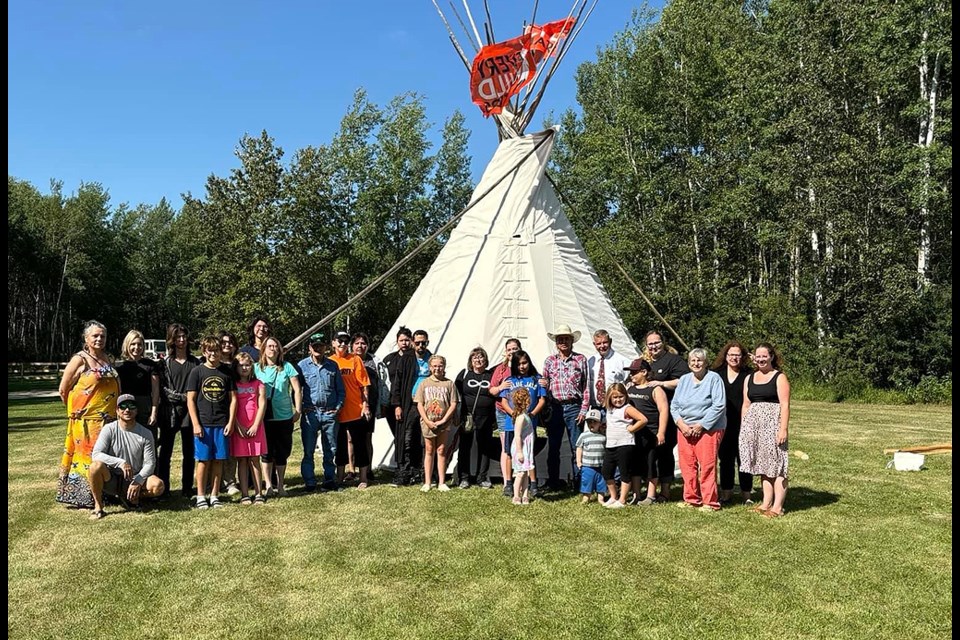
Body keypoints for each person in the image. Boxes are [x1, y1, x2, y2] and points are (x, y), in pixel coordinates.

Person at [56, 320, 120, 509]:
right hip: (86, 423)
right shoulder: (80, 359)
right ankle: (83, 497)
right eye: (95, 335)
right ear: (86, 338)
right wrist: (76, 411)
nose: (99, 339)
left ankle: (106, 493)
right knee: (87, 458)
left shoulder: (107, 358)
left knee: (105, 457)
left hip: (108, 421)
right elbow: (63, 389)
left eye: (103, 336)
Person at [88, 394, 165, 519]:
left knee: (158, 486)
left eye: (131, 406)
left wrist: (138, 481)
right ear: (117, 411)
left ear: (136, 410)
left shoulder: (146, 433)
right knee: (95, 467)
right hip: (112, 478)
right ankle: (98, 506)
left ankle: (131, 496)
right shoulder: (109, 429)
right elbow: (96, 454)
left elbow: (150, 463)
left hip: (134, 477)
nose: (127, 410)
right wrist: (120, 462)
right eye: (123, 407)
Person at [670, 348, 727, 511]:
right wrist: (681, 424)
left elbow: (718, 406)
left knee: (707, 465)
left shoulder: (714, 379)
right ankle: (691, 498)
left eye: (699, 360)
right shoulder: (684, 380)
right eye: (693, 361)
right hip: (684, 428)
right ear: (688, 363)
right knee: (687, 465)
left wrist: (701, 425)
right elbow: (674, 405)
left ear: (706, 362)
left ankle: (710, 502)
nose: (696, 363)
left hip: (708, 428)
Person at [739, 343, 791, 518]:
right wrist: (744, 428)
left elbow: (784, 405)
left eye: (764, 356)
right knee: (763, 465)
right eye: (758, 356)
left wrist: (783, 429)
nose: (761, 359)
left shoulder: (779, 377)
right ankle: (766, 502)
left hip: (773, 425)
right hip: (755, 427)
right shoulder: (749, 378)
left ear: (771, 357)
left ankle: (778, 507)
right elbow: (746, 404)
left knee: (778, 466)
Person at [186, 336, 237, 509]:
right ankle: (201, 495)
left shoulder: (226, 372)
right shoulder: (197, 372)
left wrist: (231, 422)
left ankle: (215, 495)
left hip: (221, 423)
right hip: (204, 423)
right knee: (203, 460)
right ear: (204, 351)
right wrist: (196, 423)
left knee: (218, 460)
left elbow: (234, 399)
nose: (213, 353)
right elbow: (190, 399)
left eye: (216, 350)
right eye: (210, 350)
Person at [541, 324, 590, 491]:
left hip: (574, 407)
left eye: (566, 339)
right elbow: (545, 384)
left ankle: (579, 482)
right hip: (555, 407)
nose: (563, 342)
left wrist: (584, 409)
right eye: (560, 339)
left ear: (572, 341)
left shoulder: (580, 360)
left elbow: (586, 387)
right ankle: (553, 481)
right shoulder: (549, 361)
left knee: (577, 446)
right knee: (553, 446)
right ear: (556, 342)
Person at [157, 323, 201, 498]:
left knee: (189, 453)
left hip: (191, 414)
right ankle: (164, 489)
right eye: (177, 337)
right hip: (169, 413)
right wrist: (184, 397)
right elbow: (163, 389)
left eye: (183, 336)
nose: (181, 340)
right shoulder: (165, 364)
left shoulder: (196, 363)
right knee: (165, 452)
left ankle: (187, 488)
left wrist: (190, 400)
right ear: (172, 340)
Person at [643, 330, 689, 500]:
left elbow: (684, 380)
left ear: (663, 342)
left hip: (668, 414)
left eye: (656, 342)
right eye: (650, 344)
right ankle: (649, 490)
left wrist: (661, 383)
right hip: (648, 415)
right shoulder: (645, 362)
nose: (653, 346)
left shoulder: (673, 360)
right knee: (649, 454)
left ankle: (666, 490)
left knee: (664, 452)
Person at [255, 336, 303, 497]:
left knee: (282, 452)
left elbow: (297, 389)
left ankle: (281, 485)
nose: (272, 349)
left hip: (284, 416)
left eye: (275, 346)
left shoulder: (287, 367)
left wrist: (298, 410)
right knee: (266, 453)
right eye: (269, 346)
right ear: (263, 349)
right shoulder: (256, 368)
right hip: (264, 417)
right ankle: (268, 485)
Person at [298, 333, 344, 491]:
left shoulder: (333, 365)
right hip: (310, 413)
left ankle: (329, 479)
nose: (318, 348)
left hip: (329, 412)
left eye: (321, 345)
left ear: (326, 347)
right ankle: (310, 481)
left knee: (330, 449)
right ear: (310, 347)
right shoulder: (302, 366)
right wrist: (301, 407)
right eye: (314, 346)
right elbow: (295, 390)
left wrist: (337, 408)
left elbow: (340, 390)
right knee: (308, 449)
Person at [498, 350, 547, 499]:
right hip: (510, 424)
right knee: (509, 453)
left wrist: (532, 414)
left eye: (524, 363)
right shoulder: (509, 380)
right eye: (518, 364)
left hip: (529, 425)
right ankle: (508, 482)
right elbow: (504, 401)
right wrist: (514, 414)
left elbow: (542, 400)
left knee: (528, 453)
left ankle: (533, 484)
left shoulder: (536, 379)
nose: (522, 366)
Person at [712, 340, 754, 505]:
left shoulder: (748, 374)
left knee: (744, 459)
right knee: (726, 459)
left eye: (738, 355)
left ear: (743, 356)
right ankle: (726, 494)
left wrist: (754, 359)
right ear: (725, 356)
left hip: (744, 422)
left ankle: (747, 495)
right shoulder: (716, 374)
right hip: (722, 423)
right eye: (731, 354)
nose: (734, 358)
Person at [623, 358, 670, 506]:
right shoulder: (629, 388)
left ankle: (651, 495)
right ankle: (637, 494)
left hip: (651, 432)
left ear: (644, 372)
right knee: (636, 464)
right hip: (634, 433)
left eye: (634, 373)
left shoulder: (655, 389)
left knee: (651, 464)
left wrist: (661, 432)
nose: (631, 376)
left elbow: (663, 410)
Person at [330, 331, 373, 489]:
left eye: (345, 341)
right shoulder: (330, 361)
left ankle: (363, 478)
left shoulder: (355, 360)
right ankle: (340, 477)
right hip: (337, 412)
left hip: (355, 410)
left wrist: (365, 405)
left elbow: (364, 385)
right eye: (339, 341)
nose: (342, 344)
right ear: (333, 343)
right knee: (340, 446)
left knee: (360, 444)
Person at [390, 329, 432, 487]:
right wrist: (397, 405)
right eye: (418, 342)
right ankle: (404, 471)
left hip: (428, 404)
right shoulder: (407, 358)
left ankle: (421, 470)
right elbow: (397, 383)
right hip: (410, 404)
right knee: (407, 438)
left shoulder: (431, 358)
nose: (421, 345)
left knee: (424, 438)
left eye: (424, 342)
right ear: (413, 342)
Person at [452, 347, 496, 489]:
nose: (478, 360)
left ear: (486, 359)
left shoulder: (491, 375)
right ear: (470, 360)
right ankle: (463, 477)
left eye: (481, 357)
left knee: (485, 448)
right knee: (465, 446)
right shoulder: (464, 374)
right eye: (475, 357)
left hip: (486, 418)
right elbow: (454, 394)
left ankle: (482, 477)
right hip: (468, 418)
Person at [414, 355, 459, 492]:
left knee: (441, 450)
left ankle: (441, 481)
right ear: (430, 367)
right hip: (428, 422)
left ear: (444, 367)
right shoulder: (424, 383)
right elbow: (419, 404)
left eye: (440, 365)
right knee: (429, 450)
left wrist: (444, 420)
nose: (437, 368)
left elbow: (453, 403)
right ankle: (427, 481)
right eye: (434, 366)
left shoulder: (449, 384)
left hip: (444, 423)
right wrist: (427, 420)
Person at [601, 383, 647, 509]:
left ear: (625, 396)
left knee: (624, 473)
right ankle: (613, 496)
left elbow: (643, 419)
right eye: (614, 397)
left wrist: (632, 428)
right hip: (611, 444)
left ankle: (622, 500)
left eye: (621, 396)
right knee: (606, 472)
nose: (618, 400)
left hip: (625, 444)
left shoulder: (627, 408)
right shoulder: (610, 409)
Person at [231, 352, 268, 505]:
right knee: (242, 461)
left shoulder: (258, 384)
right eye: (241, 365)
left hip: (256, 427)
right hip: (239, 427)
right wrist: (237, 425)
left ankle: (259, 493)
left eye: (247, 365)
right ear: (236, 367)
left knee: (255, 459)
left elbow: (262, 405)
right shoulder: (233, 385)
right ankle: (245, 494)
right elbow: (231, 406)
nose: (244, 368)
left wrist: (255, 425)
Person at [488, 338, 522, 492]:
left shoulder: (524, 366)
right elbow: (492, 390)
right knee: (506, 447)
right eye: (509, 349)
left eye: (515, 349)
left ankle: (520, 479)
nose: (512, 352)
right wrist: (501, 386)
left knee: (520, 445)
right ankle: (507, 481)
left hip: (522, 413)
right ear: (505, 351)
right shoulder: (501, 369)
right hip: (503, 412)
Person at [352, 332, 388, 481]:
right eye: (357, 343)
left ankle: (367, 469)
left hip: (369, 404)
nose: (360, 346)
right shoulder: (347, 360)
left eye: (363, 343)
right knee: (350, 439)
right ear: (352, 345)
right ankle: (351, 469)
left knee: (367, 438)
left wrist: (383, 403)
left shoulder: (375, 362)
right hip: (351, 404)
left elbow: (383, 383)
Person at [115, 329, 160, 441]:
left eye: (139, 344)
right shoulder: (120, 367)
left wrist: (153, 412)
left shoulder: (150, 365)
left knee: (148, 442)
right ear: (127, 345)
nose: (136, 347)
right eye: (133, 344)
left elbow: (155, 391)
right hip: (126, 407)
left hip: (145, 407)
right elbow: (117, 391)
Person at [218, 330, 242, 496]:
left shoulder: (238, 364)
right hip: (214, 411)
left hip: (235, 409)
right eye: (224, 342)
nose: (227, 345)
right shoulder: (211, 362)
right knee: (215, 449)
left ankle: (230, 481)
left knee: (231, 449)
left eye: (230, 342)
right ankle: (213, 482)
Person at [382, 326, 413, 442]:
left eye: (407, 340)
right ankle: (399, 459)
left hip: (409, 402)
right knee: (397, 435)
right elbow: (383, 381)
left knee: (409, 436)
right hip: (392, 402)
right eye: (401, 340)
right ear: (397, 341)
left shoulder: (416, 358)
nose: (404, 343)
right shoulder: (389, 359)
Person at [588, 329, 632, 408]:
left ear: (610, 341)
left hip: (615, 407)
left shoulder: (622, 361)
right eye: (598, 344)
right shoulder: (590, 362)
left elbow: (630, 384)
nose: (602, 346)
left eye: (605, 342)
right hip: (595, 407)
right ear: (594, 344)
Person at [576, 409, 608, 505]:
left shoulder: (603, 436)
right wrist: (578, 461)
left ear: (600, 423)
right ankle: (586, 498)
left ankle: (601, 498)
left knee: (601, 482)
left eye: (595, 422)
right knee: (587, 482)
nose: (592, 424)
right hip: (587, 465)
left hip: (600, 465)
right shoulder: (584, 435)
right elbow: (579, 448)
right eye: (589, 422)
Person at [510, 387, 534, 506]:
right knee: (520, 473)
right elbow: (517, 435)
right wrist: (520, 452)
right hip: (521, 448)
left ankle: (525, 495)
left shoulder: (526, 415)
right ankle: (516, 495)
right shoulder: (520, 418)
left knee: (525, 472)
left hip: (526, 448)